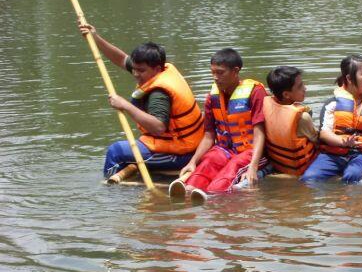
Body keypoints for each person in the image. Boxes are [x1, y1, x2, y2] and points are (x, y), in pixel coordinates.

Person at [79, 23, 203, 179]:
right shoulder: (158, 70)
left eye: (141, 70)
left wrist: (125, 105)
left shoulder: (159, 93)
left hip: (181, 153)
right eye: (135, 69)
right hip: (175, 144)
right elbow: (122, 59)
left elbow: (158, 127)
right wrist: (95, 38)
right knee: (126, 151)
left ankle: (110, 194)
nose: (135, 74)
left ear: (157, 68)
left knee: (116, 151)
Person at [170, 48, 266, 202]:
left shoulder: (255, 93)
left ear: (235, 71)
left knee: (230, 170)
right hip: (224, 149)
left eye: (220, 73)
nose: (215, 77)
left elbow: (260, 132)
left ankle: (214, 196)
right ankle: (189, 190)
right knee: (209, 161)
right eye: (212, 72)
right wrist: (193, 161)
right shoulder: (212, 97)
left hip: (251, 151)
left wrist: (253, 166)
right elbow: (209, 135)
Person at [301, 55, 362, 184]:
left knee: (351, 176)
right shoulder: (332, 103)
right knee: (309, 178)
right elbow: (325, 134)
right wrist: (343, 142)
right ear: (349, 78)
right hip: (335, 154)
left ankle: (352, 204)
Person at [258, 65, 318, 179]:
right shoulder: (302, 117)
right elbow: (318, 142)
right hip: (301, 170)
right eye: (300, 86)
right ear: (286, 94)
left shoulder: (264, 105)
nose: (305, 88)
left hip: (279, 165)